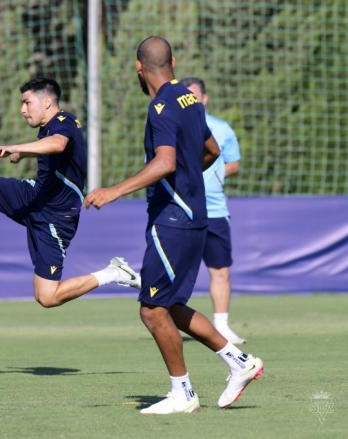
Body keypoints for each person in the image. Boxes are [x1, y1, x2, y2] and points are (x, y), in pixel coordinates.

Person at [85, 37, 263, 414]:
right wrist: (186, 178)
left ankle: (182, 393)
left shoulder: (161, 106)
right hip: (193, 215)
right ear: (174, 62)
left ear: (138, 67)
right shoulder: (189, 99)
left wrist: (114, 190)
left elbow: (165, 163)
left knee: (152, 310)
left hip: (174, 220)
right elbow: (212, 151)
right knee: (170, 305)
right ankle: (239, 362)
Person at [0, 77, 140, 308]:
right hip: (35, 196)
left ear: (47, 102)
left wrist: (17, 148)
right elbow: (51, 147)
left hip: (56, 217)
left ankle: (114, 273)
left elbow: (58, 144)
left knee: (47, 297)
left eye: (27, 103)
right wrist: (25, 154)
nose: (23, 110)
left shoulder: (65, 120)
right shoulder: (46, 129)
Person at [181, 76, 245, 345]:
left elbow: (234, 163)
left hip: (215, 210)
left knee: (220, 270)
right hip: (182, 210)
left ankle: (221, 325)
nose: (192, 101)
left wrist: (216, 172)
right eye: (187, 97)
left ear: (204, 98)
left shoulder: (221, 128)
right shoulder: (173, 126)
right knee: (179, 269)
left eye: (195, 96)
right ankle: (172, 319)